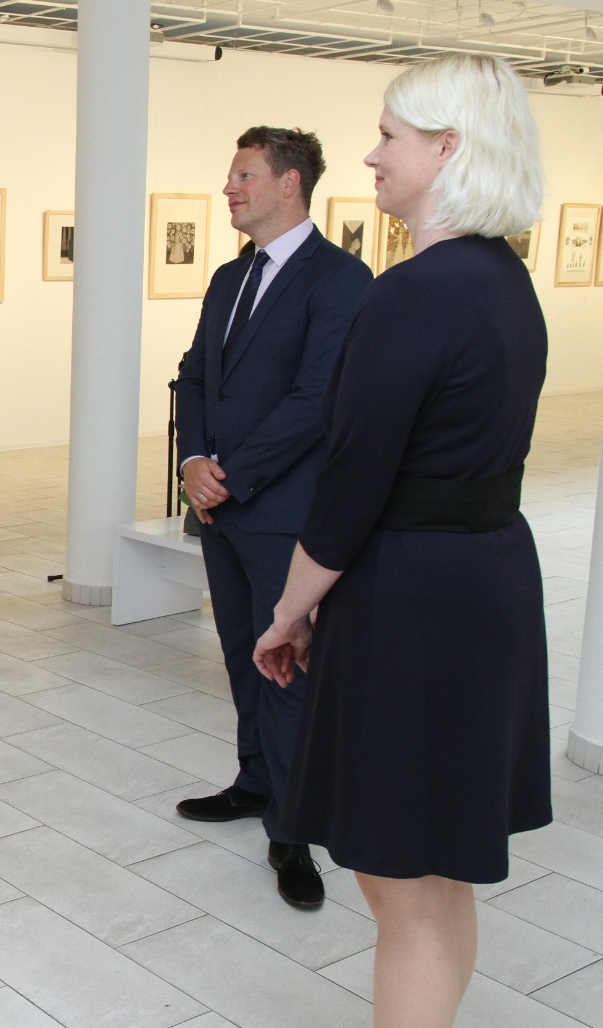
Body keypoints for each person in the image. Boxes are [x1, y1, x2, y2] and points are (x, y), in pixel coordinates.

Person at [254, 54, 550, 1028]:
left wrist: (289, 610)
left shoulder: (413, 292)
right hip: (483, 579)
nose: (372, 156)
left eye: (389, 135)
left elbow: (352, 483)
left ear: (448, 147)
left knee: (400, 888)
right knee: (437, 873)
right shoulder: (503, 279)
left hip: (414, 598)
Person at [173, 126, 371, 909]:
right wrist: (193, 461)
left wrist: (230, 476)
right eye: (231, 176)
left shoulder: (341, 279)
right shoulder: (230, 276)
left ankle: (291, 832)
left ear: (290, 183)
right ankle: (255, 781)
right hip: (223, 508)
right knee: (237, 653)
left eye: (244, 175)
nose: (230, 188)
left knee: (284, 668)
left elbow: (318, 399)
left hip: (283, 510)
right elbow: (194, 376)